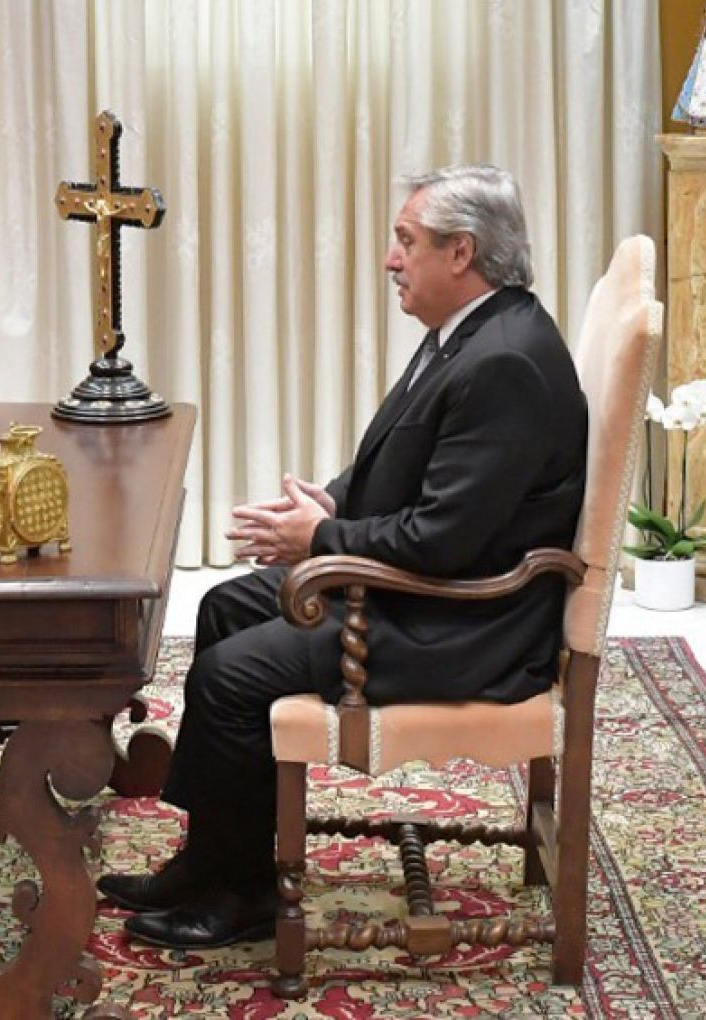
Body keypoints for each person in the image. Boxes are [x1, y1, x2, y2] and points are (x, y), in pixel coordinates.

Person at [99, 164, 588, 951]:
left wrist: (320, 542)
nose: (393, 259)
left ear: (461, 253)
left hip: (465, 625)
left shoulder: (506, 363)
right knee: (225, 607)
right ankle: (213, 860)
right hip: (429, 590)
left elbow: (439, 541)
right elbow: (408, 469)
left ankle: (248, 896)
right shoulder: (469, 334)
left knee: (230, 678)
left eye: (407, 241)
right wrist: (331, 504)